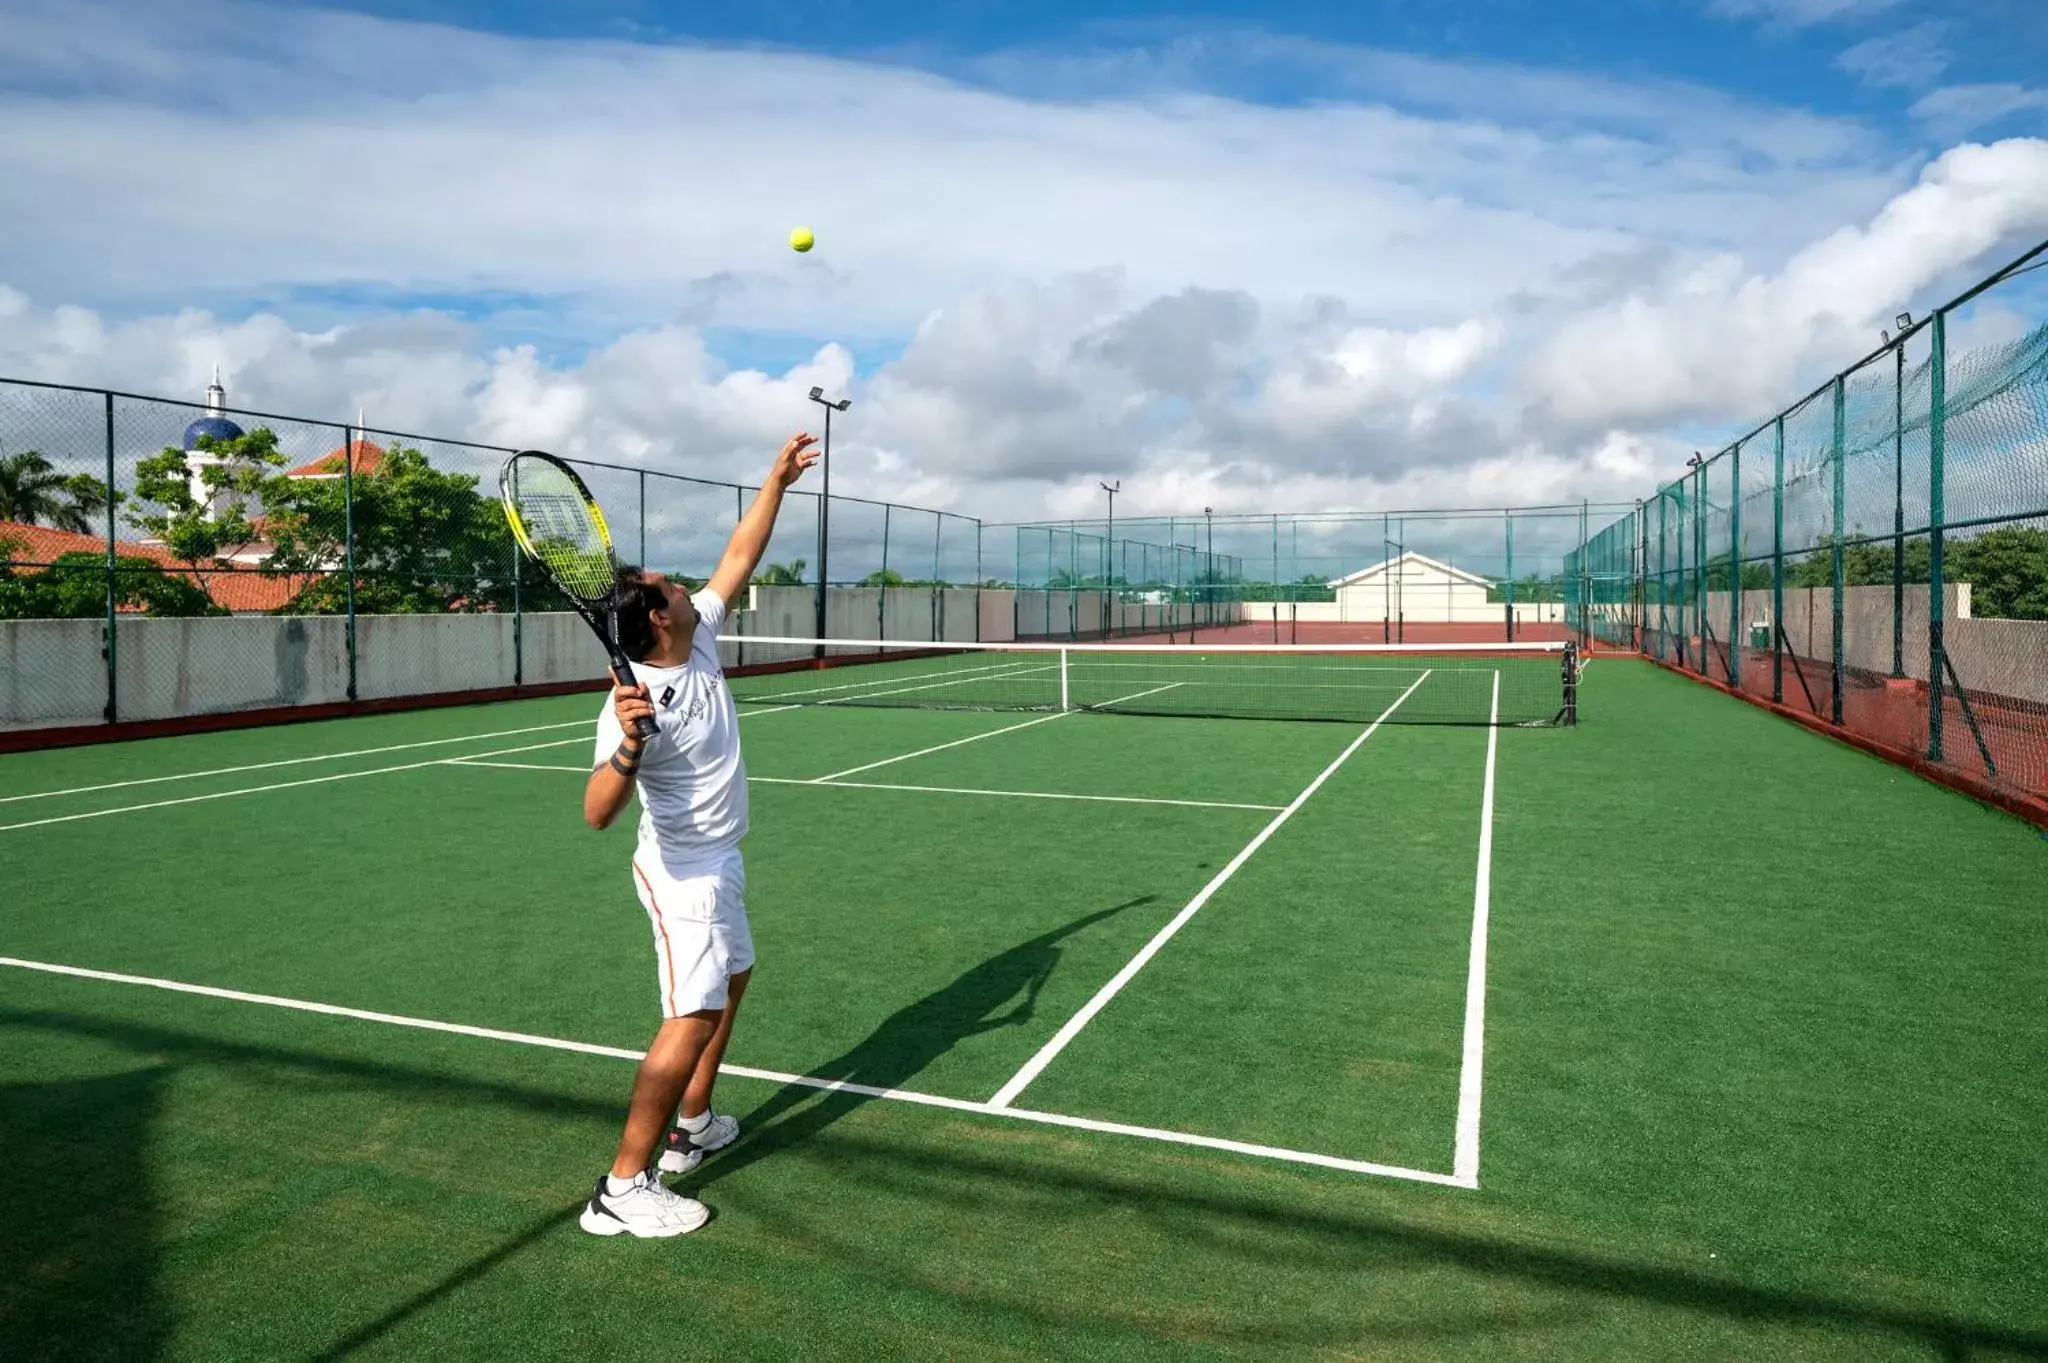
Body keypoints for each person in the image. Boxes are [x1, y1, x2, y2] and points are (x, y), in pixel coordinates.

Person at [578, 431, 820, 1238]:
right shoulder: (631, 701)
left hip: (723, 858)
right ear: (655, 617)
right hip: (686, 875)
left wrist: (775, 481)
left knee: (733, 981)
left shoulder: (700, 632)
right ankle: (622, 1186)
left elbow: (738, 556)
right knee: (688, 1016)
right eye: (663, 584)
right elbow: (596, 811)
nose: (680, 583)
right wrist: (628, 745)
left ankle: (693, 1124)